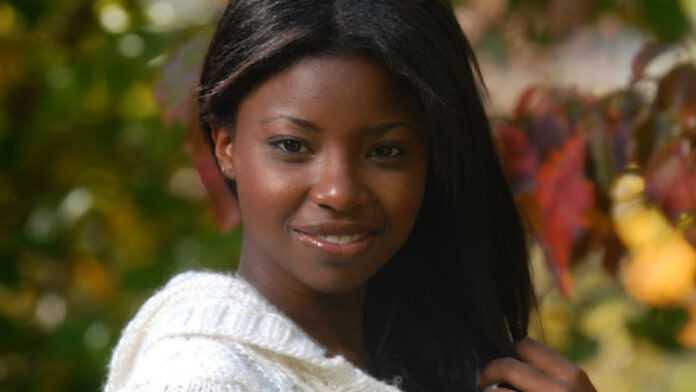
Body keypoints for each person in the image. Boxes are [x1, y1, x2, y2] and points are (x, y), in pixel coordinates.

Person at [104, 1, 598, 391]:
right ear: (225, 146)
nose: (339, 192)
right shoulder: (201, 380)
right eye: (292, 146)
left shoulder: (437, 362)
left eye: (385, 151)